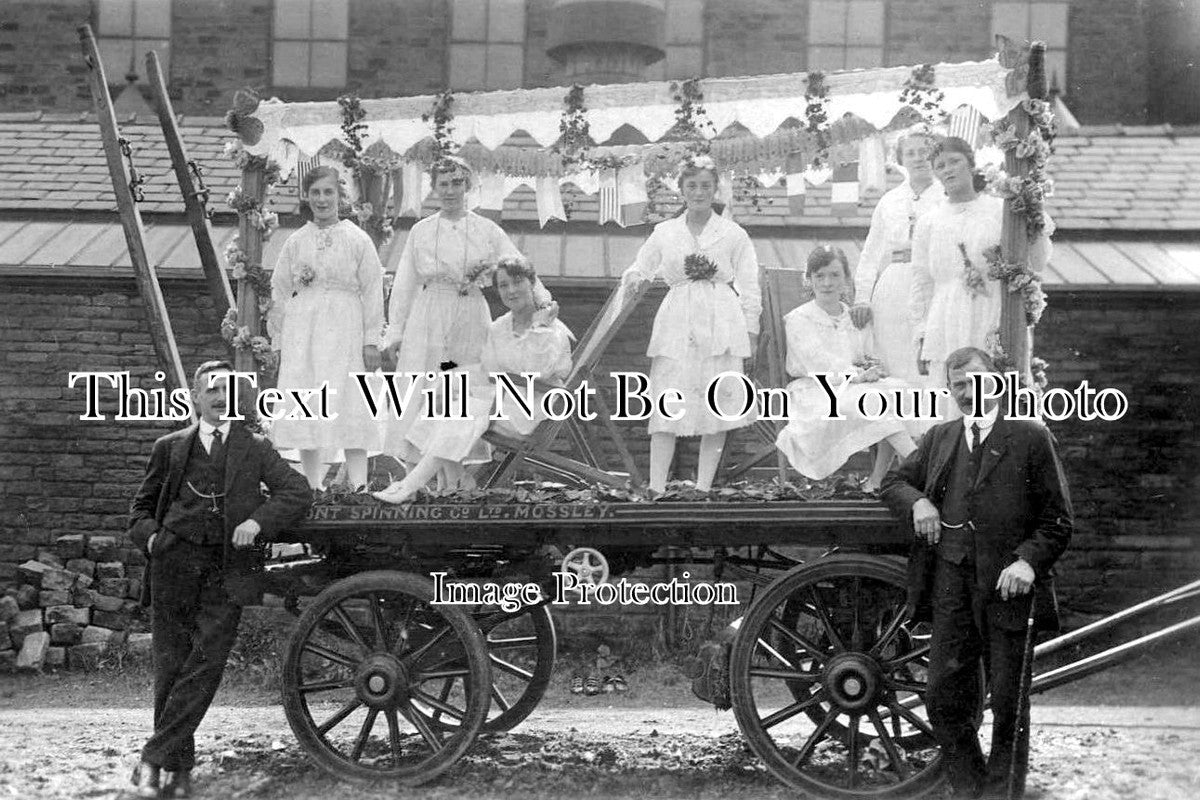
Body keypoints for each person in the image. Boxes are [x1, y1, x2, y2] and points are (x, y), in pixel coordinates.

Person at [880, 346, 1072, 800]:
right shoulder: (940, 437)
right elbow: (893, 483)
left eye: (976, 381)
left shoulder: (1029, 436)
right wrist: (919, 501)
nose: (967, 392)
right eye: (958, 384)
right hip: (951, 581)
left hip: (1008, 586)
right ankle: (970, 788)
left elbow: (1058, 519)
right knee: (943, 698)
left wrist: (1027, 560)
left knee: (1008, 703)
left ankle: (1002, 793)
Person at [126, 360, 312, 798]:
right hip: (174, 563)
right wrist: (152, 540)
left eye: (226, 389)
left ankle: (152, 757)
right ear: (195, 397)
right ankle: (176, 769)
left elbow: (297, 491)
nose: (218, 396)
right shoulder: (170, 447)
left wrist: (258, 522)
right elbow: (139, 510)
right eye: (210, 389)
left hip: (225, 570)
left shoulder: (254, 446)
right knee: (171, 665)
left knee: (207, 661)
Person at [373, 256, 572, 504]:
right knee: (446, 395)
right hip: (504, 398)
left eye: (517, 282)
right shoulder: (500, 326)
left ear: (532, 283)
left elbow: (538, 370)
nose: (511, 290)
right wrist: (450, 383)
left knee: (462, 412)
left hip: (532, 403)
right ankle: (455, 481)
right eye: (503, 285)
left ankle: (410, 486)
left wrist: (539, 329)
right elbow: (486, 368)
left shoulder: (551, 328)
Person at [622, 154, 761, 494]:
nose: (698, 192)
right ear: (681, 189)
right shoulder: (665, 231)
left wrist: (751, 329)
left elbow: (750, 284)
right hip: (678, 320)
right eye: (691, 185)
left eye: (705, 186)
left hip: (721, 320)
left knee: (718, 402)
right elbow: (640, 266)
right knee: (669, 397)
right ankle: (656, 487)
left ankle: (702, 487)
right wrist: (635, 278)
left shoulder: (733, 234)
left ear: (715, 189)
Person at [381, 155, 523, 465]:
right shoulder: (421, 230)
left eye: (457, 183)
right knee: (425, 383)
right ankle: (415, 470)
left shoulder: (487, 229)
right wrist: (395, 331)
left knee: (462, 386)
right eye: (443, 184)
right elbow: (405, 283)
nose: (450, 191)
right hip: (430, 312)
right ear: (433, 188)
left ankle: (455, 471)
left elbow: (519, 267)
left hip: (470, 312)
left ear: (467, 185)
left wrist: (542, 303)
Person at [268, 164, 385, 490]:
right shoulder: (295, 241)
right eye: (316, 192)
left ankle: (359, 486)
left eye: (328, 192)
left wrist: (371, 340)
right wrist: (278, 339)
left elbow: (373, 289)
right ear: (307, 196)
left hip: (345, 327)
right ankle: (313, 486)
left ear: (340, 195)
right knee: (308, 398)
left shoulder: (357, 239)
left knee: (350, 398)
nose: (322, 199)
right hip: (304, 330)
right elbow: (278, 289)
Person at [910, 137, 1051, 403]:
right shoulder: (929, 221)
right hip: (947, 315)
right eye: (940, 166)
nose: (948, 170)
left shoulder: (1000, 210)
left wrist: (1034, 218)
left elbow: (1038, 260)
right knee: (954, 394)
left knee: (995, 385)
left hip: (992, 311)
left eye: (954, 161)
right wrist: (921, 334)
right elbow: (921, 281)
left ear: (971, 164)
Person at [775, 246, 920, 492]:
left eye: (834, 275)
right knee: (872, 400)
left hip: (854, 384)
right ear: (809, 279)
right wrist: (858, 375)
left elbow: (867, 354)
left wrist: (872, 368)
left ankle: (877, 479)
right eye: (819, 276)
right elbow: (817, 363)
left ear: (846, 279)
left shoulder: (852, 317)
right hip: (815, 389)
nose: (827, 283)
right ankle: (920, 466)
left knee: (901, 390)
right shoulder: (800, 319)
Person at [850, 130, 945, 384]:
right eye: (910, 153)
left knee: (928, 359)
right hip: (893, 289)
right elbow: (870, 254)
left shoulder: (946, 197)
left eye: (924, 151)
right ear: (901, 159)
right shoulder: (889, 201)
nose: (918, 158)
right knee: (894, 360)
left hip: (932, 284)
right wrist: (861, 298)